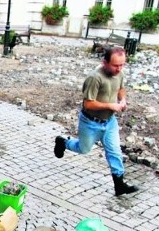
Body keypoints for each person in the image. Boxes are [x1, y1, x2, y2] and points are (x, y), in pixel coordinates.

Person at [54, 45, 138, 196]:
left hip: (109, 122)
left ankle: (119, 186)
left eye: (122, 65)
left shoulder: (119, 74)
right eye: (115, 65)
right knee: (83, 149)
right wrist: (110, 105)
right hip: (90, 122)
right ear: (105, 62)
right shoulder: (95, 78)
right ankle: (63, 142)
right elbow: (88, 103)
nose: (119, 69)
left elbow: (121, 88)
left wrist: (123, 100)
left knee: (115, 153)